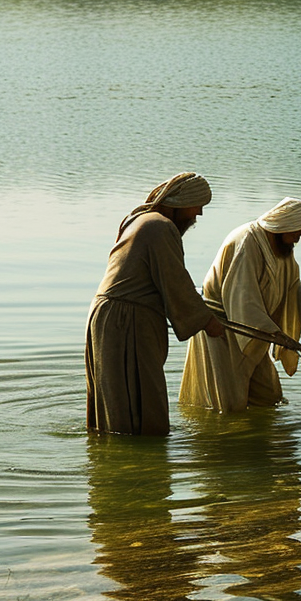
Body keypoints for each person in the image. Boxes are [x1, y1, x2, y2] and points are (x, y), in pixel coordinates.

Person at [86, 172, 225, 436]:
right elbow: (176, 283)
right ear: (181, 202)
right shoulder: (160, 227)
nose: (199, 215)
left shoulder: (141, 220)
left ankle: (118, 454)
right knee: (142, 401)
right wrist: (207, 321)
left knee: (117, 401)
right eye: (199, 206)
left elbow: (164, 281)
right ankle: (141, 456)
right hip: (126, 320)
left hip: (110, 316)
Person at [180, 197, 301, 411]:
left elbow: (290, 284)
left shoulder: (281, 246)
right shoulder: (247, 241)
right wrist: (276, 333)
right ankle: (225, 437)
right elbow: (243, 298)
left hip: (255, 330)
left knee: (268, 395)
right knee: (229, 400)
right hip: (224, 328)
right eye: (298, 231)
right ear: (284, 226)